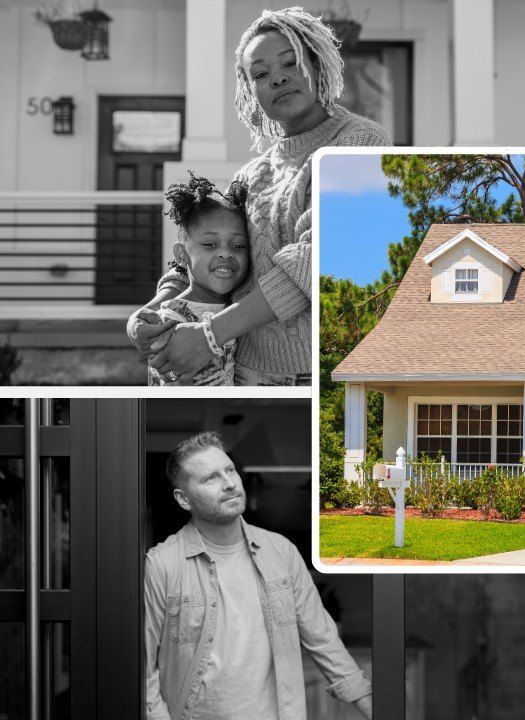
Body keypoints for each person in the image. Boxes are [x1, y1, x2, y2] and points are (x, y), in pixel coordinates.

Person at [130, 7, 391, 385]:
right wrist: (150, 313)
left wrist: (209, 334)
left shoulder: (360, 142)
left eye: (291, 63)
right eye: (261, 74)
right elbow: (201, 246)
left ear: (317, 66)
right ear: (250, 91)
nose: (278, 78)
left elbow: (315, 260)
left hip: (315, 375)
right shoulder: (251, 175)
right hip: (240, 369)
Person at [144, 431, 373, 719]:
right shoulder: (162, 564)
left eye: (230, 470)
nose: (229, 484)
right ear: (183, 498)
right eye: (211, 478)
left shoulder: (281, 552)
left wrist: (372, 707)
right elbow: (144, 667)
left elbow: (323, 638)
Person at [136, 175, 250, 386]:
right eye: (210, 244)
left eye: (238, 246)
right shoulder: (170, 322)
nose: (226, 253)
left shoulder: (241, 308)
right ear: (181, 255)